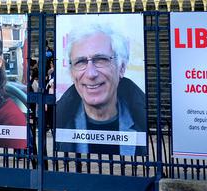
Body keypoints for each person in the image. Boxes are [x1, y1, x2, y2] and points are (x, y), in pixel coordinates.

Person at [55, 23, 147, 155]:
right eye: (80, 62)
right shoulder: (61, 123)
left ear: (121, 68)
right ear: (72, 73)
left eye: (101, 59)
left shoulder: (141, 122)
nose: (91, 74)